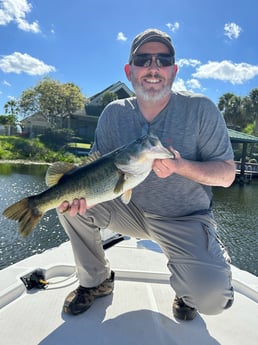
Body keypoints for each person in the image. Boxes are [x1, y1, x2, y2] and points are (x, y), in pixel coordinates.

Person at [57, 28, 235, 321]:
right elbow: (95, 167)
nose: (153, 67)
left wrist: (181, 167)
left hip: (184, 218)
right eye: (143, 59)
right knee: (68, 203)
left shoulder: (201, 109)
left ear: (174, 71)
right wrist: (79, 194)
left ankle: (191, 279)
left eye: (163, 60)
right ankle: (97, 280)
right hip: (130, 209)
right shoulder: (113, 114)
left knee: (212, 299)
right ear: (130, 71)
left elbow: (227, 174)